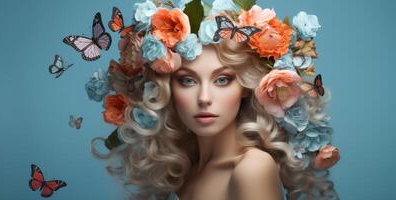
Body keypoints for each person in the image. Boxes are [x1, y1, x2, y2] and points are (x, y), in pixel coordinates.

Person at [89, 0, 341, 199]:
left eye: (222, 80)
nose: (204, 98)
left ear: (245, 87)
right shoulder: (185, 169)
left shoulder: (251, 169)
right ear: (167, 89)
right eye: (187, 80)